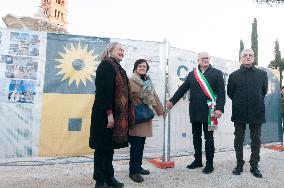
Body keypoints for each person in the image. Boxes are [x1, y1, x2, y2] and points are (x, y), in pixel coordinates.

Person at [166, 52, 225, 174]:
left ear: (209, 59)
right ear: (198, 60)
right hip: (195, 110)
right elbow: (183, 89)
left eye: (207, 58)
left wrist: (220, 108)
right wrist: (172, 101)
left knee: (209, 138)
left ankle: (210, 164)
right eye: (202, 58)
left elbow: (221, 92)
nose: (205, 59)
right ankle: (198, 160)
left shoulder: (217, 73)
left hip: (211, 112)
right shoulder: (192, 74)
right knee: (196, 137)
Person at [89, 42, 135, 188]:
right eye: (119, 49)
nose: (122, 52)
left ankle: (110, 178)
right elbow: (103, 92)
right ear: (110, 51)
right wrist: (109, 114)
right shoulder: (106, 66)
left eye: (123, 50)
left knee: (109, 148)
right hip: (104, 114)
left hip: (114, 114)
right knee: (102, 148)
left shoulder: (118, 67)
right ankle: (100, 180)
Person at [227, 49, 268, 178]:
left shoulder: (262, 74)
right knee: (238, 139)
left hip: (257, 111)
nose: (248, 57)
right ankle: (239, 165)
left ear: (254, 58)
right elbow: (230, 93)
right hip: (239, 112)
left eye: (250, 55)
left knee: (256, 140)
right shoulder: (233, 75)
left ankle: (254, 166)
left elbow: (264, 91)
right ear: (241, 58)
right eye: (245, 55)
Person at [128, 59, 166, 183]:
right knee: (136, 145)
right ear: (135, 68)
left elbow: (154, 97)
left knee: (141, 144)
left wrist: (161, 111)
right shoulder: (129, 81)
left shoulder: (147, 81)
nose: (142, 68)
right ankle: (133, 171)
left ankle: (138, 167)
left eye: (144, 66)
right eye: (140, 66)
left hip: (145, 116)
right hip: (135, 116)